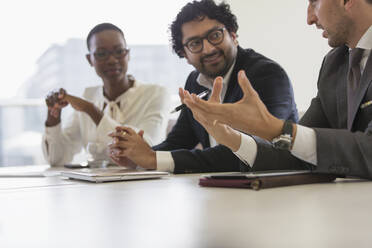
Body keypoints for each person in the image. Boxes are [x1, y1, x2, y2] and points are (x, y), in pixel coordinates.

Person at [182, 0, 372, 179]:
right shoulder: (335, 63)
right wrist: (232, 139)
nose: (310, 19)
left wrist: (275, 129)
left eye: (315, 1)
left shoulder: (267, 72)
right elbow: (298, 153)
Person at [108, 0, 298, 173]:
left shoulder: (266, 75)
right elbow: (180, 140)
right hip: (222, 189)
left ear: (233, 34)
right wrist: (138, 155)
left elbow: (250, 151)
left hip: (272, 189)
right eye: (195, 43)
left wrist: (153, 159)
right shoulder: (194, 82)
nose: (208, 49)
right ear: (185, 54)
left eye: (215, 35)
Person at [42, 23, 170, 166]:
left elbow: (146, 149)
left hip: (145, 185)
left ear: (128, 54)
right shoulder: (88, 95)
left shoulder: (156, 94)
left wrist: (91, 110)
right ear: (90, 59)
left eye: (119, 51)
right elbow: (57, 159)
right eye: (102, 54)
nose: (112, 60)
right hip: (95, 185)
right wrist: (53, 116)